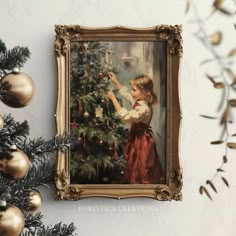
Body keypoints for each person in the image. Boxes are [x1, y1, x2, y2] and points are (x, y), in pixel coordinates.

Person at [107, 72, 164, 184]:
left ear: (144, 92)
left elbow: (126, 116)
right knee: (133, 162)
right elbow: (128, 96)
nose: (131, 92)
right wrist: (116, 82)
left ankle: (139, 188)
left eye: (134, 90)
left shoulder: (143, 109)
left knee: (140, 164)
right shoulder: (140, 101)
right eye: (132, 89)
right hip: (136, 138)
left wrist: (113, 99)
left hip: (141, 141)